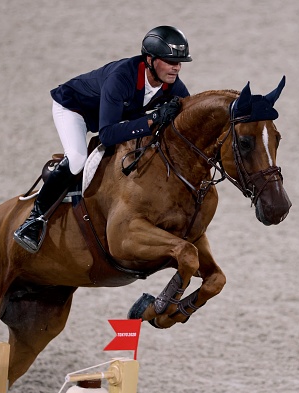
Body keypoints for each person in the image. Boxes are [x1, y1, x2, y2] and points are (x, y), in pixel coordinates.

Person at [13, 25, 192, 253]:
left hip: (110, 116)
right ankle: (34, 220)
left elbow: (185, 118)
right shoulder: (122, 77)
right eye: (170, 61)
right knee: (77, 158)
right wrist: (153, 119)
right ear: (150, 59)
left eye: (179, 63)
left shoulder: (173, 85)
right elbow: (107, 135)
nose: (176, 68)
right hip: (74, 109)